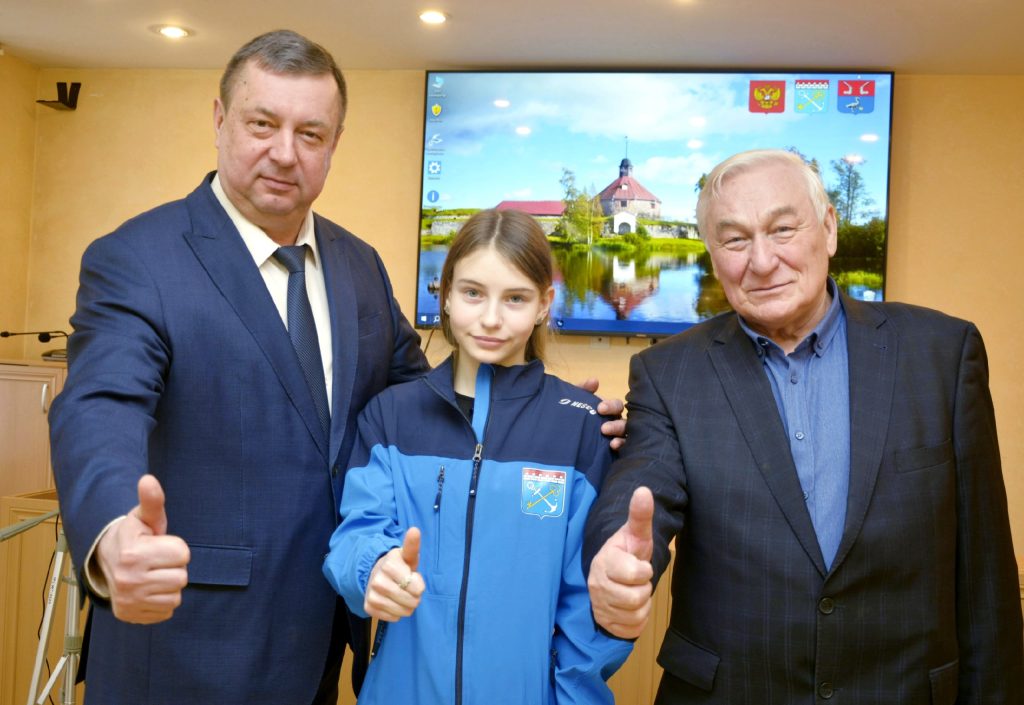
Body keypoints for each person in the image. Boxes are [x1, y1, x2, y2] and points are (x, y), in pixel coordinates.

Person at [47, 29, 625, 705]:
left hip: (325, 639)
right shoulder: (140, 257)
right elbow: (100, 406)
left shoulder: (358, 266)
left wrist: (542, 411)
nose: (284, 152)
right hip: (189, 640)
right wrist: (114, 531)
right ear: (220, 119)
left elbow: (426, 396)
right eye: (262, 124)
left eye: (310, 134)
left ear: (334, 144)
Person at [583, 149, 1024, 703]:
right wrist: (617, 560)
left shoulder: (942, 354)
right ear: (713, 256)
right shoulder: (668, 371)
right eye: (735, 240)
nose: (762, 261)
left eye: (783, 229)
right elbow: (641, 488)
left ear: (829, 229)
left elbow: (985, 577)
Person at [322, 209, 632, 704]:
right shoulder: (390, 415)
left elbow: (588, 608)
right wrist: (373, 568)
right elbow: (356, 534)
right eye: (472, 293)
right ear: (445, 294)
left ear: (543, 304)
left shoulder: (580, 429)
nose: (490, 318)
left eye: (515, 298)